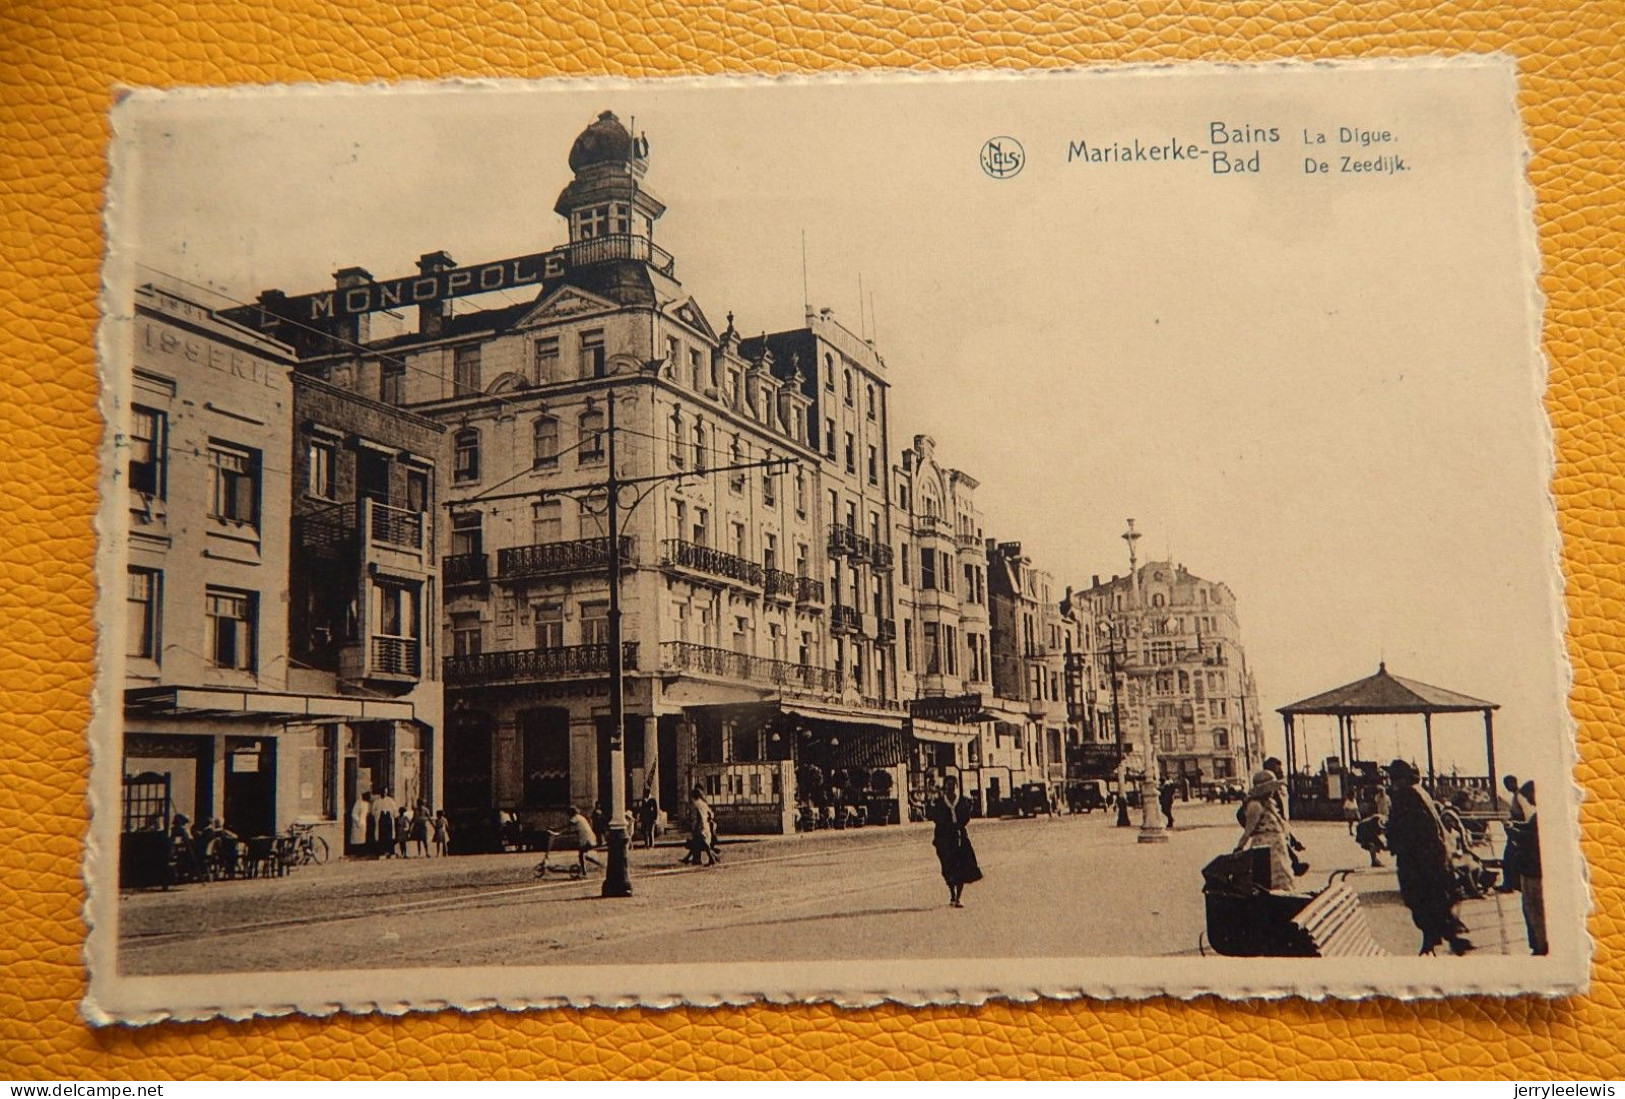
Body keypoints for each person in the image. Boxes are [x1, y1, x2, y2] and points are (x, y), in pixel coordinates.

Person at [1384, 758, 1473, 956]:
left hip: (1418, 861)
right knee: (1434, 899)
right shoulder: (1420, 792)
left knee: (1420, 900)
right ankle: (1445, 938)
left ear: (1398, 779)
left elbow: (1399, 829)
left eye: (1392, 778)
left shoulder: (1405, 795)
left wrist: (1390, 836)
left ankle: (1437, 940)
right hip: (1434, 857)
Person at [1233, 770, 1295, 890]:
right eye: (1271, 788)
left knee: (1282, 877)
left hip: (1277, 845)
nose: (1273, 791)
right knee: (1271, 877)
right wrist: (1239, 847)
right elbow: (1249, 829)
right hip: (1265, 845)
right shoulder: (1255, 805)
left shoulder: (1269, 802)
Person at [1506, 780, 1548, 955]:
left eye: (1529, 797)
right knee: (1531, 908)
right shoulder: (1539, 815)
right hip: (1531, 868)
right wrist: (1516, 827)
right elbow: (1531, 828)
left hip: (1533, 870)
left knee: (1534, 909)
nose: (1529, 802)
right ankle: (1539, 944)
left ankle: (1540, 946)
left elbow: (1533, 836)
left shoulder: (1542, 815)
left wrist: (1514, 831)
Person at [927, 775, 982, 907]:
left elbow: (966, 818)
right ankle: (952, 893)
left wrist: (959, 824)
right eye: (948, 785)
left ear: (957, 787)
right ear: (945, 787)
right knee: (947, 867)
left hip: (959, 837)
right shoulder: (940, 802)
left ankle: (958, 897)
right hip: (944, 838)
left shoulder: (962, 802)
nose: (951, 788)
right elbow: (934, 817)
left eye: (953, 785)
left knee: (962, 866)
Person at [1497, 774, 1528, 893]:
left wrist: (1514, 824)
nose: (1507, 787)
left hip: (1520, 831)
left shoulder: (1520, 796)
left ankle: (1510, 885)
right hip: (1515, 829)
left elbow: (1525, 815)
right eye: (1505, 785)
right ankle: (1510, 884)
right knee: (1509, 858)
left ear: (1514, 782)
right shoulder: (1515, 796)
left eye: (1508, 784)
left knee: (1510, 857)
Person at [682, 787, 719, 866]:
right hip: (705, 825)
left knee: (704, 844)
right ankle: (691, 859)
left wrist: (693, 827)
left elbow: (694, 817)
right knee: (696, 843)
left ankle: (712, 859)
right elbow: (711, 814)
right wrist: (708, 820)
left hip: (699, 826)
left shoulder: (694, 805)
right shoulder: (704, 803)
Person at [567, 806, 602, 876]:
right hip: (590, 837)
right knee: (583, 854)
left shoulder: (576, 818)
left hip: (587, 839)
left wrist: (556, 829)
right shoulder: (580, 817)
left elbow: (568, 825)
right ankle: (599, 864)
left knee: (581, 854)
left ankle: (584, 872)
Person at [373, 789, 398, 858]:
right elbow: (373, 810)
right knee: (381, 835)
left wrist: (393, 816)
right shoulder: (377, 801)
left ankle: (391, 852)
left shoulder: (390, 801)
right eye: (382, 792)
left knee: (390, 836)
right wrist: (377, 815)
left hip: (388, 818)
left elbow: (395, 810)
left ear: (387, 793)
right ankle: (382, 852)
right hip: (381, 819)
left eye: (385, 792)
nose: (384, 794)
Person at [349, 792, 372, 857]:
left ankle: (361, 853)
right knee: (356, 839)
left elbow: (367, 813)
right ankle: (356, 852)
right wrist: (358, 821)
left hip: (363, 823)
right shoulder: (358, 803)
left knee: (362, 839)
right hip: (357, 824)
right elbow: (353, 813)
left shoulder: (366, 804)